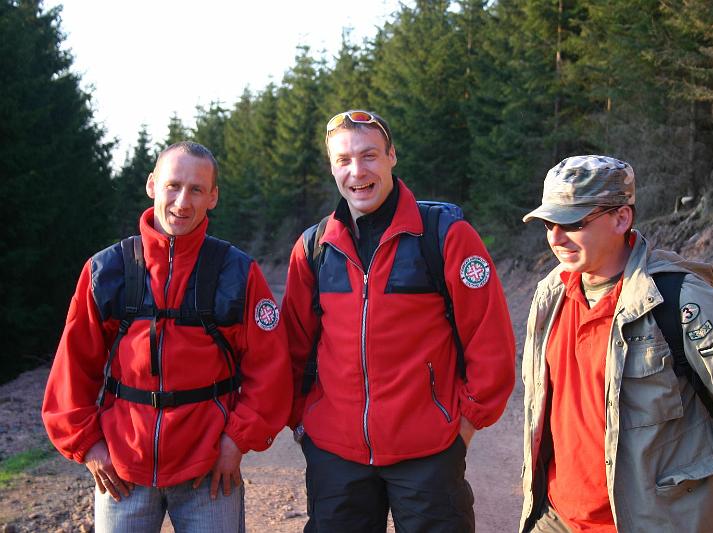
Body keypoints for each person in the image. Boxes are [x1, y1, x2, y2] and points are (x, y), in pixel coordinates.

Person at [518, 155, 713, 532]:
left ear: (621, 218)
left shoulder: (677, 298)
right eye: (549, 223)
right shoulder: (550, 294)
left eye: (573, 223)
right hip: (556, 518)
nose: (555, 237)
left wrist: (709, 477)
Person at [281, 110, 516, 532]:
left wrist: (464, 426)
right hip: (335, 455)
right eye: (343, 160)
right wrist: (303, 421)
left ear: (392, 156)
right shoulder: (314, 247)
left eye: (369, 155)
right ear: (332, 167)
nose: (357, 171)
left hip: (429, 454)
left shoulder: (444, 235)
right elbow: (293, 347)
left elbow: (489, 339)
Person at [42, 141, 293, 533]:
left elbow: (270, 369)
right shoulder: (105, 271)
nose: (182, 201)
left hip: (209, 469)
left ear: (213, 197)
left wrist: (236, 441)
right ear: (152, 185)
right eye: (173, 186)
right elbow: (72, 369)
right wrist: (88, 445)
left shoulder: (237, 272)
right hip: (122, 469)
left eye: (196, 189)